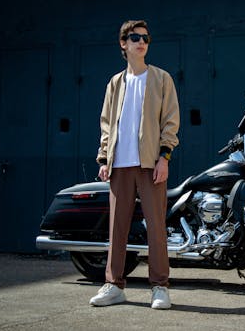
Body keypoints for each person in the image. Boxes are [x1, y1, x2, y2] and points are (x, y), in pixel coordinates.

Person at [89, 20, 180, 309]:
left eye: (145, 37)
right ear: (123, 44)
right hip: (120, 165)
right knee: (117, 229)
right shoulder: (115, 83)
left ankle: (160, 287)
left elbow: (170, 121)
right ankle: (114, 285)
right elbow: (107, 124)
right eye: (135, 37)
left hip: (150, 163)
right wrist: (104, 158)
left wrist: (164, 157)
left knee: (156, 227)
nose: (141, 41)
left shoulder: (162, 78)